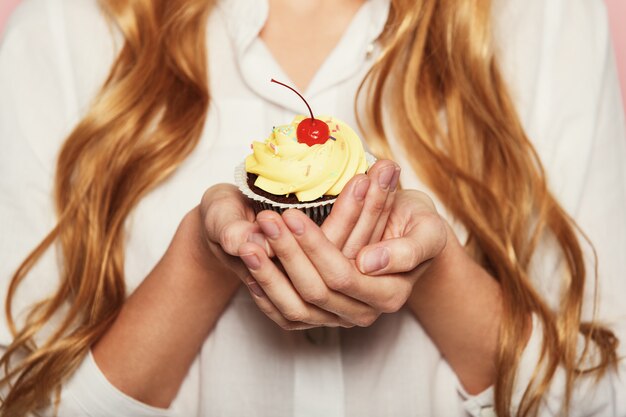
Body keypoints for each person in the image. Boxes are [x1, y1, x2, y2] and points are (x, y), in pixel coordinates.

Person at [0, 0, 625, 416]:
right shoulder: (69, 22)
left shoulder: (543, 16)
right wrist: (199, 260)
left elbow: (604, 396)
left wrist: (435, 274)